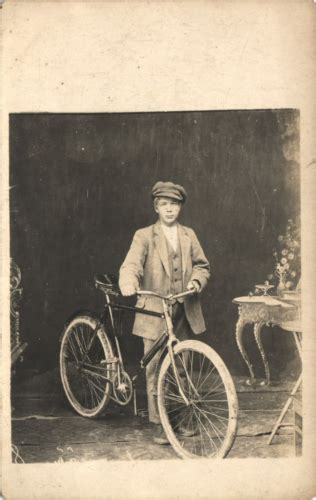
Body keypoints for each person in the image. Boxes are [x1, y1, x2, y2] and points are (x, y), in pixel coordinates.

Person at [119, 181, 210, 444]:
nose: (170, 209)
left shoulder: (189, 235)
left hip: (183, 308)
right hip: (154, 311)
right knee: (156, 367)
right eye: (164, 204)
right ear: (156, 207)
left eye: (175, 204)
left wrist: (195, 281)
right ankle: (160, 423)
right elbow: (131, 264)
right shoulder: (144, 235)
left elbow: (203, 266)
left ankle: (181, 418)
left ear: (180, 207)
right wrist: (128, 282)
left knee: (180, 365)